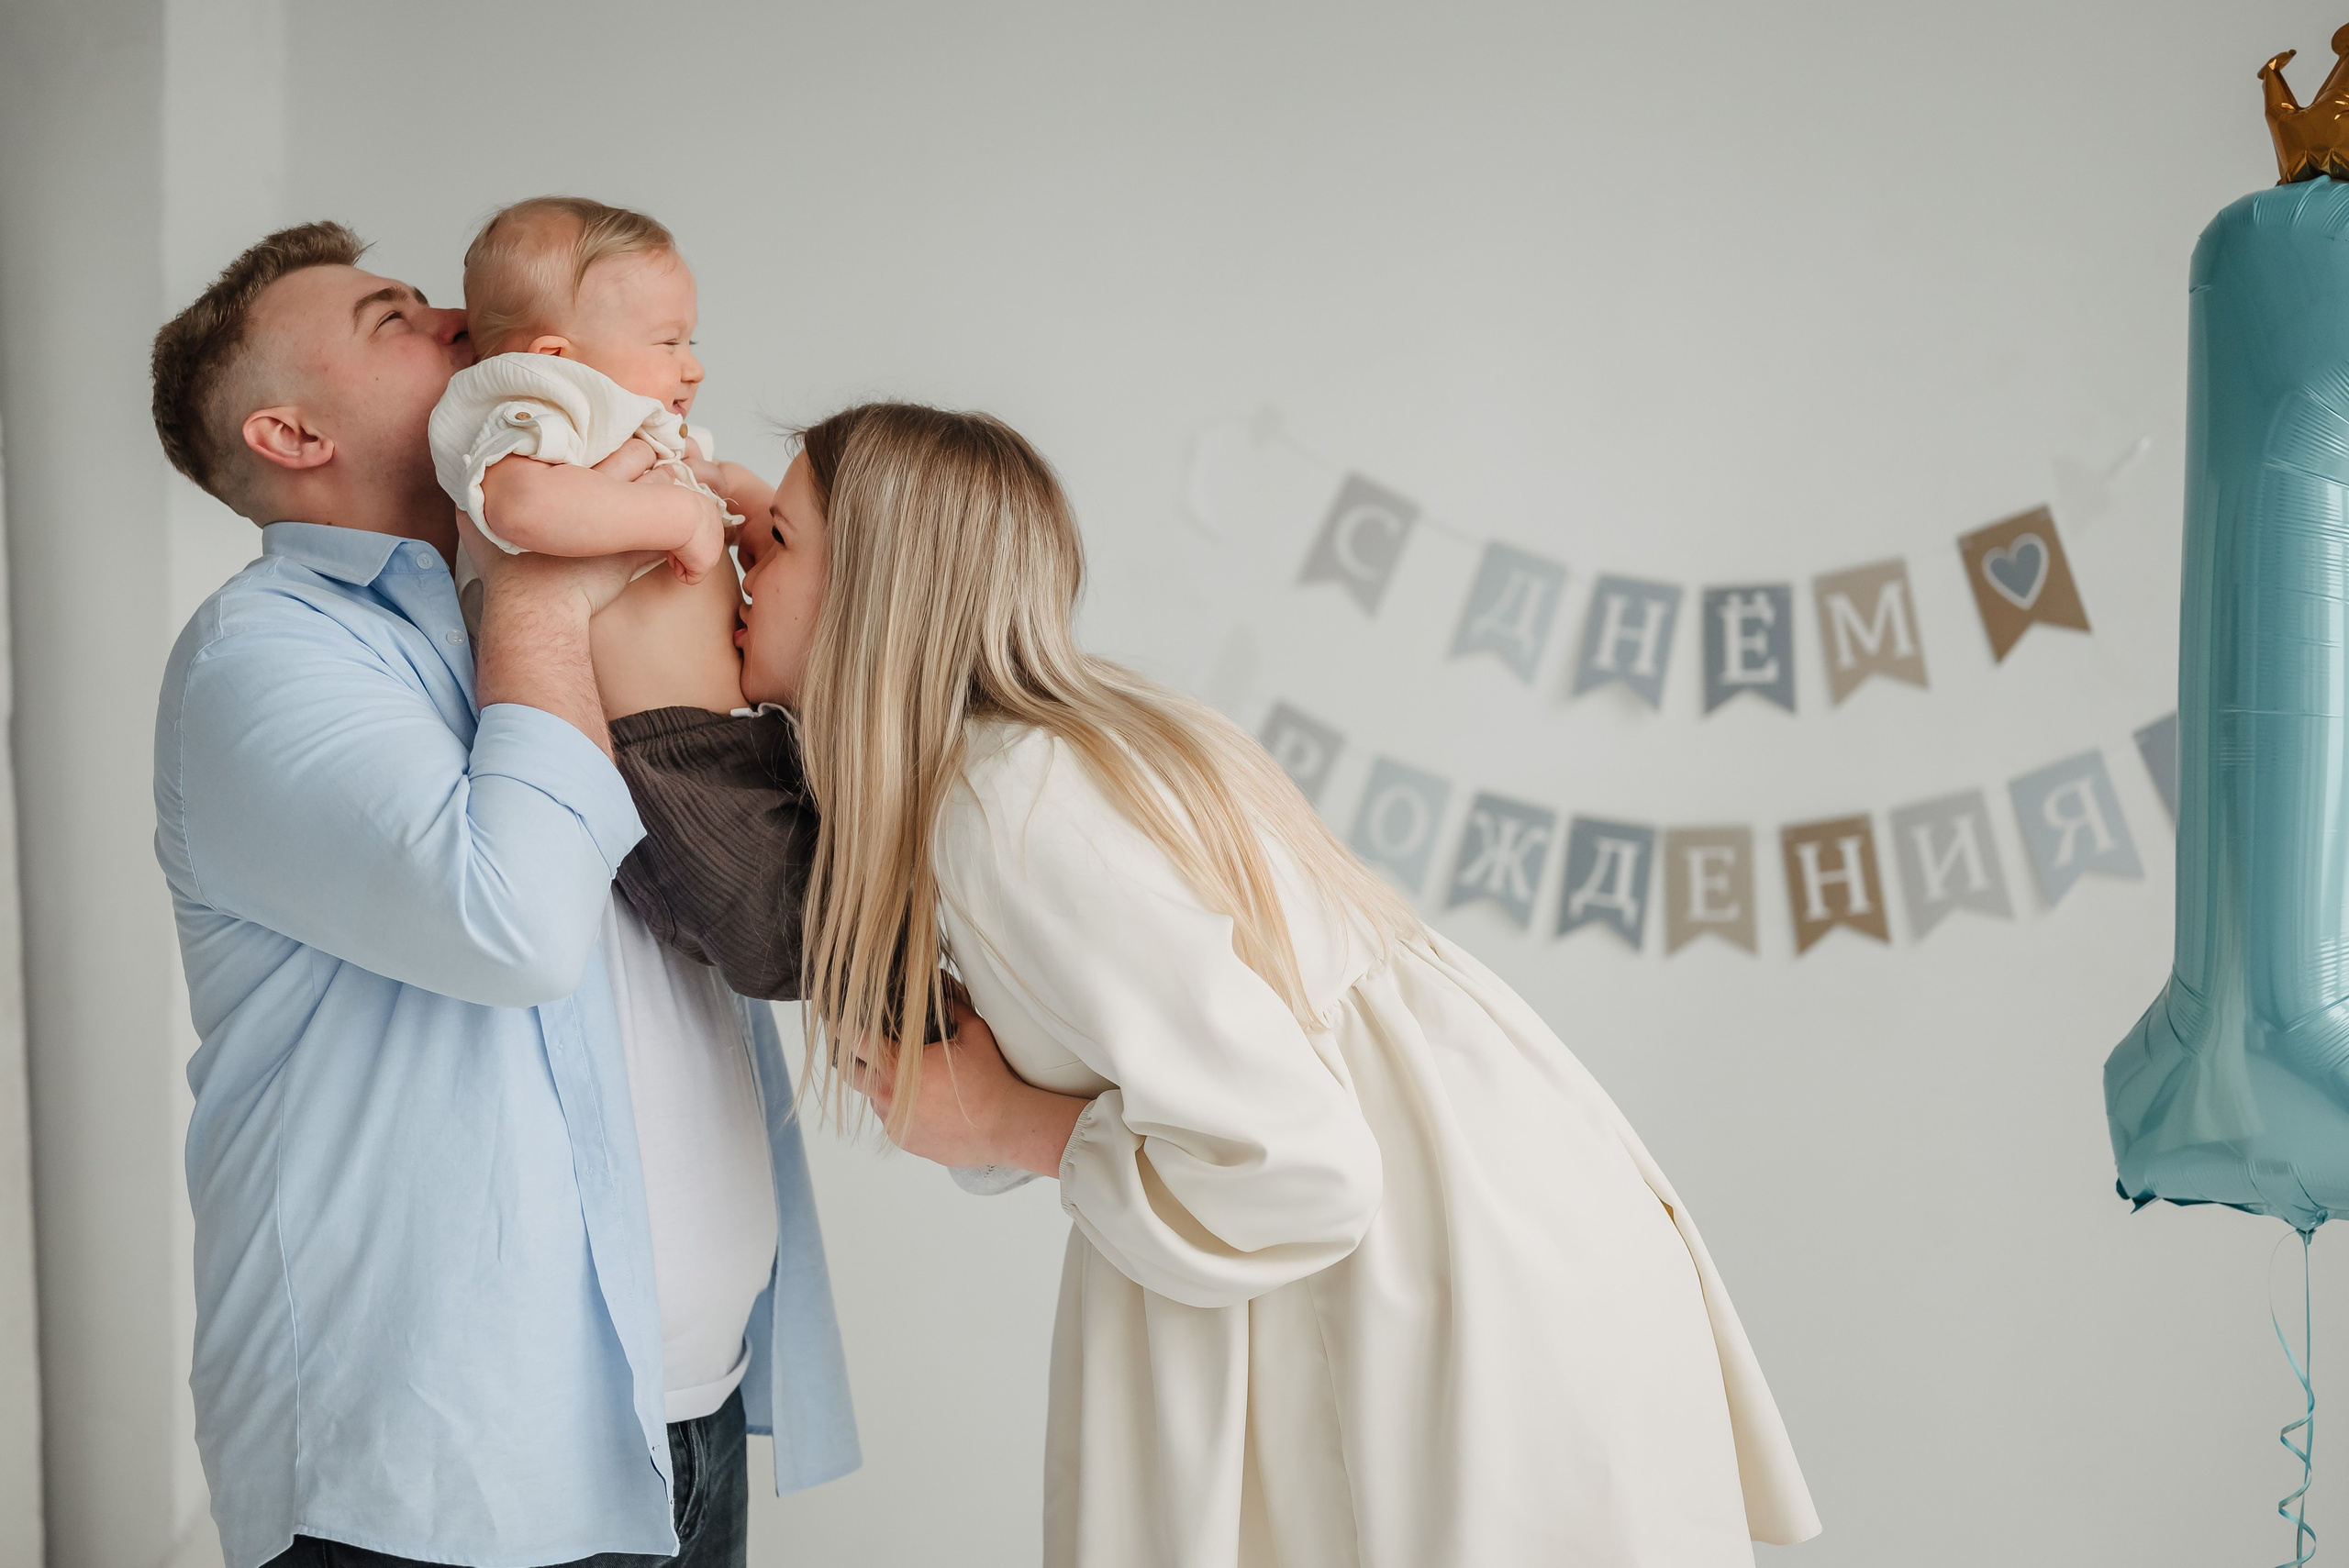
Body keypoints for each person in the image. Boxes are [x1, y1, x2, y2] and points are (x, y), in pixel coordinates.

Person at [613, 402, 1824, 1566]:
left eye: (776, 539)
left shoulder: (1007, 808)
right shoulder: (1050, 755)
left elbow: (1301, 1170)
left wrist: (1009, 1125)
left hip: (1426, 1285)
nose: (739, 559)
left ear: (880, 595)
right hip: (1502, 1221)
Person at [146, 220, 855, 1568]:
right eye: (390, 319)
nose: (457, 321)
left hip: (677, 1423)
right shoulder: (265, 662)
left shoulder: (556, 589)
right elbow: (515, 922)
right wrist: (541, 583)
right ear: (294, 434)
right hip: (439, 1476)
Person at [429, 195, 760, 587]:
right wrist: (686, 518)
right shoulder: (541, 418)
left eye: (691, 343)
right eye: (669, 343)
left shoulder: (639, 432)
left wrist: (761, 514)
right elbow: (523, 506)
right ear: (555, 361)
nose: (696, 370)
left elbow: (720, 477)